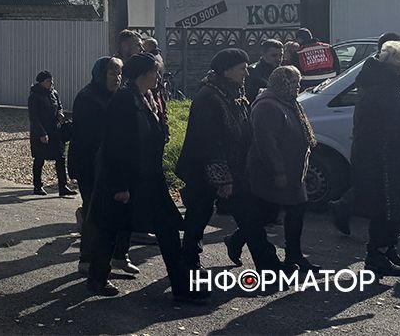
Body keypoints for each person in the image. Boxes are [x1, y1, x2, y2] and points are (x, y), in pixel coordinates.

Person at [87, 54, 208, 304]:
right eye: (155, 72)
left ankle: (181, 286)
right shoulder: (123, 100)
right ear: (143, 74)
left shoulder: (144, 98)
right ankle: (97, 278)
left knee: (167, 230)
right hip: (128, 180)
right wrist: (120, 185)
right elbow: (114, 146)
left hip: (149, 179)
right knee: (111, 229)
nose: (158, 77)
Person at [175, 48, 281, 272]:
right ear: (226, 71)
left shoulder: (234, 92)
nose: (247, 73)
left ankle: (268, 265)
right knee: (198, 216)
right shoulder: (208, 98)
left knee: (250, 216)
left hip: (235, 168)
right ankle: (189, 263)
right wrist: (223, 179)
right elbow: (209, 142)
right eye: (242, 69)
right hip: (205, 170)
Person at [350, 41, 400, 277]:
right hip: (386, 159)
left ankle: (388, 249)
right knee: (386, 208)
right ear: (399, 66)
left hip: (375, 156)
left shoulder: (373, 84)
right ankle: (377, 254)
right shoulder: (389, 90)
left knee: (391, 207)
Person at [244, 65, 320, 272]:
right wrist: (278, 171)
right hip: (275, 172)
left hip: (294, 172)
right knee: (266, 214)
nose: (298, 86)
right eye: (294, 82)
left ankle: (294, 255)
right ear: (282, 83)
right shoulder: (267, 105)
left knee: (295, 212)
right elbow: (266, 143)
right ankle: (236, 240)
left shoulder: (289, 102)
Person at [69, 57, 136, 276]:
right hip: (91, 166)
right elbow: (86, 138)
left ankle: (118, 256)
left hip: (113, 164)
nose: (117, 78)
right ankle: (87, 260)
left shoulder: (118, 97)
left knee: (120, 213)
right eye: (111, 73)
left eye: (119, 73)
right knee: (94, 215)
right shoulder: (88, 97)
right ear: (100, 74)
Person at [28, 71, 74, 197]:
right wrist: (42, 133)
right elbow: (34, 117)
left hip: (55, 130)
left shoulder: (54, 93)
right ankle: (37, 186)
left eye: (51, 80)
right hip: (41, 132)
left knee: (60, 157)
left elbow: (59, 106)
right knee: (39, 159)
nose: (51, 83)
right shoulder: (34, 96)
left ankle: (63, 186)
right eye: (48, 81)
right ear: (41, 82)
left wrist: (60, 113)